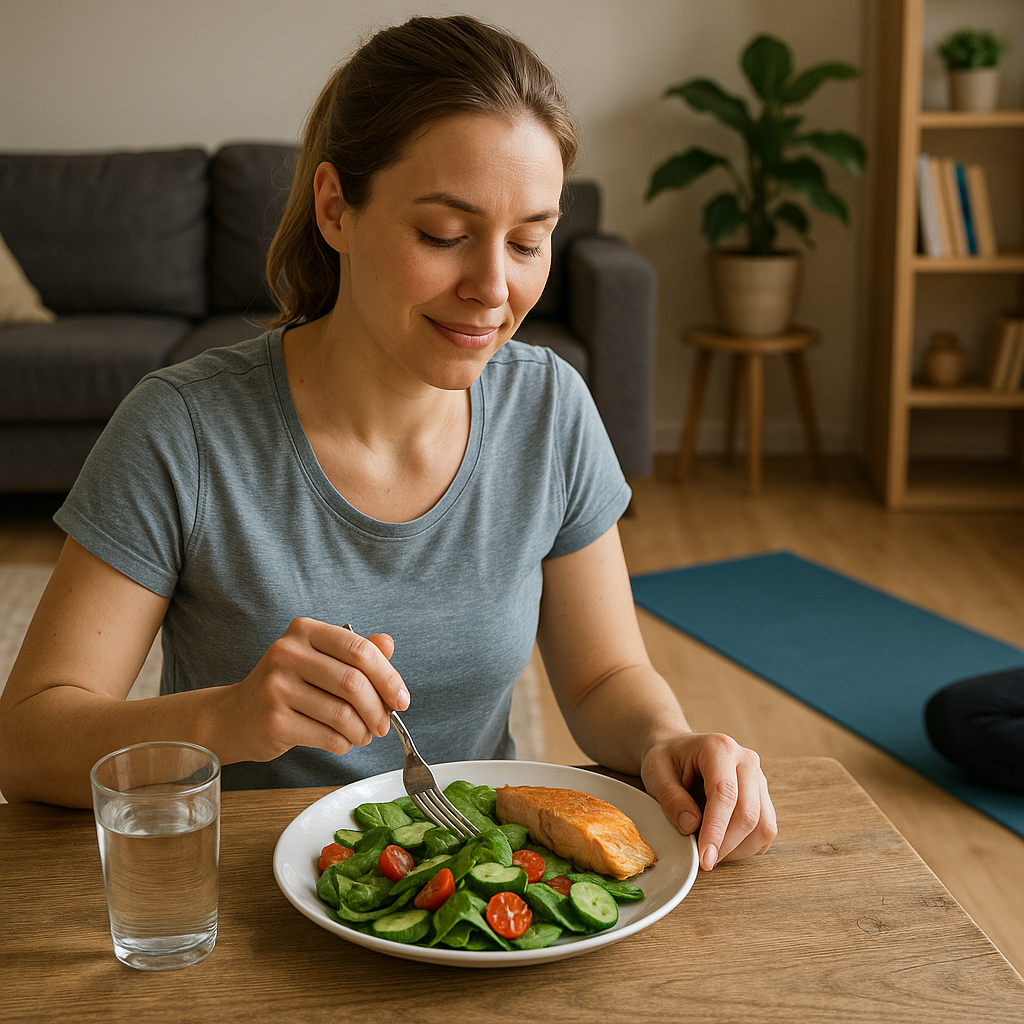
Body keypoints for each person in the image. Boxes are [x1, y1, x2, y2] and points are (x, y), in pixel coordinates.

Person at [0, 14, 776, 871]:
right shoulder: (181, 429)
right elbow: (27, 743)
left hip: (473, 896)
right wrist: (226, 720)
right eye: (444, 235)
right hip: (240, 898)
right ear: (336, 208)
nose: (493, 288)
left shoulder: (550, 408)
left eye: (528, 241)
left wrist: (665, 738)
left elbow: (602, 681)